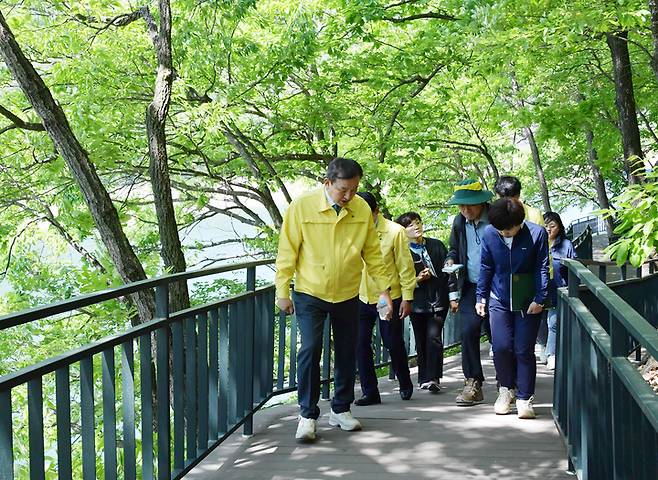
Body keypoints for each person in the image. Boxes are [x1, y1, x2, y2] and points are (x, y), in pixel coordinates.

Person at [275, 158, 393, 442]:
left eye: (354, 189)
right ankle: (306, 414)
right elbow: (287, 250)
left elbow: (373, 254)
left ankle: (340, 409)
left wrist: (384, 291)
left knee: (346, 350)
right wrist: (282, 290)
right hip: (309, 291)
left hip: (347, 292)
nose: (349, 196)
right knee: (311, 349)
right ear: (327, 183)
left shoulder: (361, 209)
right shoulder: (301, 207)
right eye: (343, 190)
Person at [475, 198, 549, 419]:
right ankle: (506, 390)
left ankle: (525, 398)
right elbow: (486, 266)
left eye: (509, 229)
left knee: (523, 349)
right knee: (501, 347)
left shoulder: (537, 233)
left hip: (527, 300)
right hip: (498, 298)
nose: (505, 233)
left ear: (520, 222)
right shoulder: (489, 233)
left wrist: (541, 297)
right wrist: (481, 296)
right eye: (500, 230)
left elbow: (542, 267)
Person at [355, 192, 416, 405]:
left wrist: (408, 298)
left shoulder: (394, 231)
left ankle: (405, 381)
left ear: (376, 211)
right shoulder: (353, 229)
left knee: (391, 341)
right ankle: (370, 391)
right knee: (360, 344)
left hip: (386, 297)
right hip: (361, 296)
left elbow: (405, 266)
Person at [445, 179, 494, 406]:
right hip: (471, 286)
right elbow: (453, 247)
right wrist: (450, 259)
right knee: (468, 332)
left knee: (498, 336)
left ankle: (509, 383)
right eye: (461, 206)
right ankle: (473, 382)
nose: (465, 210)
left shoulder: (496, 219)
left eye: (469, 205)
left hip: (496, 286)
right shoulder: (459, 222)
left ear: (482, 202)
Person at [396, 211, 453, 393]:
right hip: (417, 303)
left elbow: (449, 271)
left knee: (434, 338)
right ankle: (423, 377)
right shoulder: (401, 251)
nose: (416, 227)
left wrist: (453, 296)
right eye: (410, 225)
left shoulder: (436, 245)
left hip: (439, 300)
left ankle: (434, 378)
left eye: (418, 222)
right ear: (403, 231)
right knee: (421, 339)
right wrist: (417, 279)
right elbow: (398, 279)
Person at [493, 175, 548, 360]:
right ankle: (508, 379)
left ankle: (520, 376)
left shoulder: (533, 215)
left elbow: (541, 255)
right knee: (504, 341)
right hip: (502, 285)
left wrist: (541, 293)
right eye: (501, 198)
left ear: (518, 196)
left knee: (523, 342)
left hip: (525, 281)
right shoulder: (496, 214)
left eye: (510, 198)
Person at [543, 211, 577, 370]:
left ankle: (551, 355)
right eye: (546, 226)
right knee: (538, 322)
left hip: (558, 289)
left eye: (553, 226)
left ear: (559, 227)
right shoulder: (538, 243)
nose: (549, 229)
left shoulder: (566, 244)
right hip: (538, 289)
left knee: (553, 322)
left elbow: (574, 266)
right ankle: (543, 347)